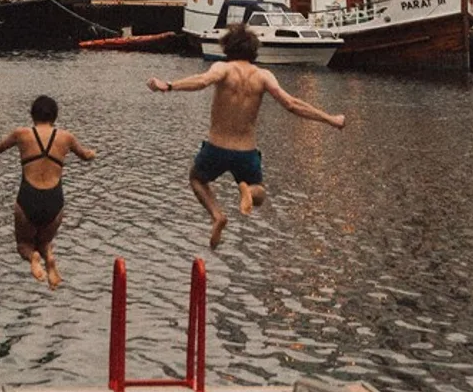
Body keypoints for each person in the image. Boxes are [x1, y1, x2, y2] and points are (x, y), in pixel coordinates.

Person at [147, 24, 345, 249]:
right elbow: (291, 104)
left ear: (227, 48)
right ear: (253, 51)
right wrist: (329, 119)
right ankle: (248, 190)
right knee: (259, 193)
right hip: (246, 152)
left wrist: (169, 85)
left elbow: (201, 81)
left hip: (216, 147)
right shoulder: (263, 76)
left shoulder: (223, 69)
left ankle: (217, 216)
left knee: (197, 179)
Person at [0, 96, 96, 289]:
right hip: (54, 200)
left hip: (29, 197)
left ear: (32, 115)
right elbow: (85, 156)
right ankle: (48, 257)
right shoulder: (66, 137)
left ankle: (33, 258)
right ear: (55, 116)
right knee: (45, 241)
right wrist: (92, 153)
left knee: (23, 245)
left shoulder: (21, 134)